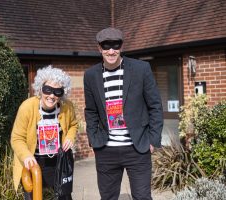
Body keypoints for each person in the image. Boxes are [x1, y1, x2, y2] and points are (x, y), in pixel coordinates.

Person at [83, 27, 163, 200]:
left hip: (138, 148)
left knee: (142, 197)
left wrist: (152, 140)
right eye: (106, 46)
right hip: (106, 150)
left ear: (121, 46)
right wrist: (94, 140)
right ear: (99, 48)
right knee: (108, 197)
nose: (111, 51)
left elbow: (155, 106)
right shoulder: (90, 75)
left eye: (115, 45)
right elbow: (91, 111)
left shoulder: (141, 69)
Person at [11, 65, 78, 200]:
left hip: (59, 163)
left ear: (62, 93)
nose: (52, 95)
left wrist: (70, 137)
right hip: (34, 162)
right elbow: (17, 138)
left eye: (57, 92)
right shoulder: (27, 107)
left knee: (64, 197)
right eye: (48, 89)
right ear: (40, 89)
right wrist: (26, 156)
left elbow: (73, 125)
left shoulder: (67, 107)